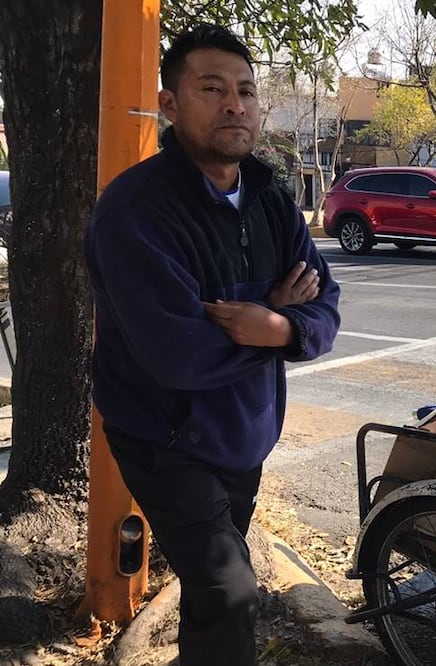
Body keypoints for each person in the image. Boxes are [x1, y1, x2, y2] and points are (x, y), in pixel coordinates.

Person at [84, 24, 340, 665]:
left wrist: (277, 325)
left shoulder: (271, 199)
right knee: (230, 593)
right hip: (164, 437)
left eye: (246, 91)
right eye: (212, 88)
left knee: (212, 588)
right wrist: (275, 322)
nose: (235, 105)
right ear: (170, 104)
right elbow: (177, 354)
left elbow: (325, 307)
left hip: (243, 432)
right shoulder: (136, 213)